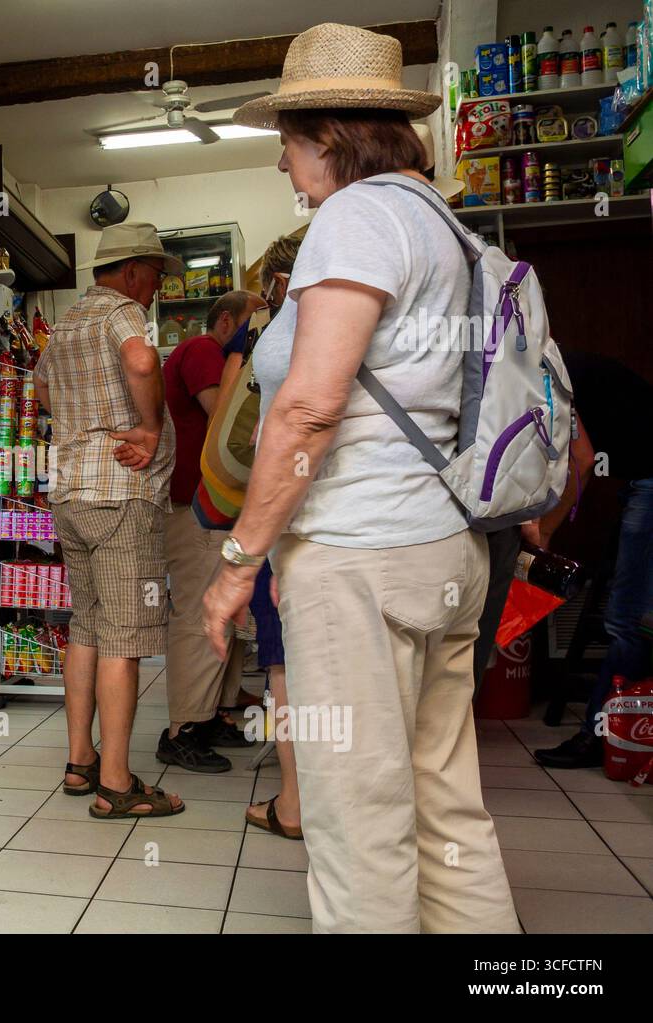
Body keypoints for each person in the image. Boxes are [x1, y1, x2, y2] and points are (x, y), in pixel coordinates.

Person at [204, 23, 518, 932]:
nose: (281, 165)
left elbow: (307, 408)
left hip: (359, 558)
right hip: (446, 549)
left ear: (329, 138)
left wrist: (237, 566)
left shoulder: (354, 216)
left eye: (287, 142)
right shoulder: (447, 225)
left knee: (358, 824)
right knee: (447, 809)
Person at [33, 221, 185, 820]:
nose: (154, 290)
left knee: (87, 628)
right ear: (131, 271)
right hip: (121, 493)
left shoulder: (67, 319)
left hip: (70, 493)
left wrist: (80, 417)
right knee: (124, 636)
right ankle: (117, 783)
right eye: (153, 277)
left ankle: (80, 761)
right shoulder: (122, 311)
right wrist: (146, 427)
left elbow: (41, 388)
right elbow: (143, 361)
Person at [159, 290, 266, 772]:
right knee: (198, 618)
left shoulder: (216, 354)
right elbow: (224, 417)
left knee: (228, 622)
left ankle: (216, 714)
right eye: (251, 324)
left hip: (215, 507)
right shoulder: (203, 349)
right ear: (226, 322)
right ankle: (183, 729)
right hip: (195, 507)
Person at [533, 350, 653, 768]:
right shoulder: (561, 363)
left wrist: (544, 531)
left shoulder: (548, 371)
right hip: (641, 479)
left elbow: (580, 463)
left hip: (650, 482)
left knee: (628, 622)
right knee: (635, 620)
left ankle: (597, 737)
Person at [244, 235, 303, 840]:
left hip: (297, 521)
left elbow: (291, 429)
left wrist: (246, 547)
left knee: (283, 662)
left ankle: (295, 803)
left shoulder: (295, 325)